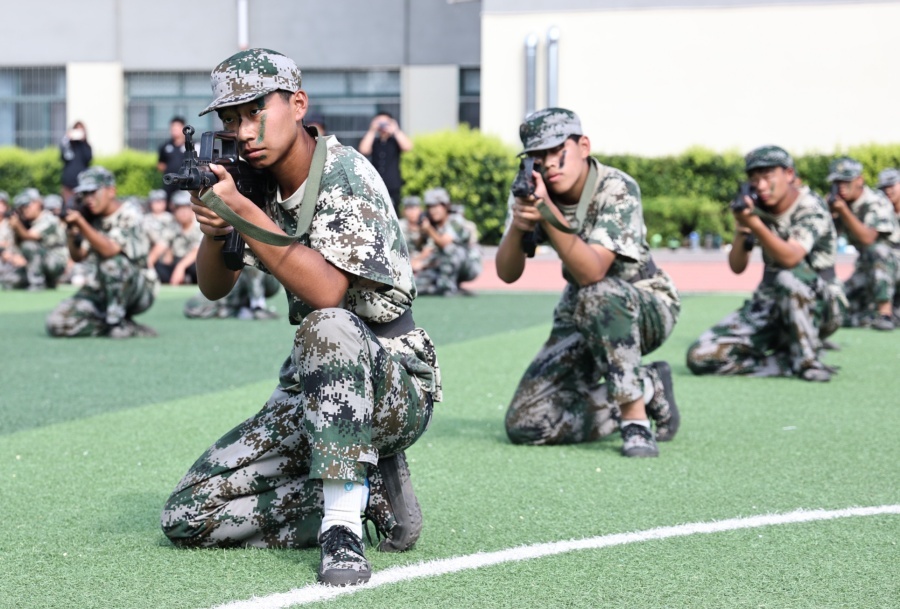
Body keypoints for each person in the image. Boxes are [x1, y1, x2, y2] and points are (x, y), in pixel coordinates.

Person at [159, 48, 441, 588]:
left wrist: (241, 211)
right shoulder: (254, 182)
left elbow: (329, 292)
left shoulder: (345, 173)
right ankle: (367, 495)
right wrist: (216, 230)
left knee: (325, 324)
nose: (242, 130)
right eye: (230, 119)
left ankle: (342, 531)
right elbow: (215, 287)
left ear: (297, 104)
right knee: (187, 513)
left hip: (392, 383)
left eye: (253, 111)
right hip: (316, 387)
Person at [495, 108, 681, 458]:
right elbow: (507, 273)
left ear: (583, 145)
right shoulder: (531, 190)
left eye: (555, 150)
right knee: (527, 423)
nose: (547, 163)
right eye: (537, 156)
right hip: (581, 308)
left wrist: (546, 212)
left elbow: (593, 272)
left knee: (599, 293)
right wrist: (520, 224)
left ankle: (635, 421)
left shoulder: (617, 187)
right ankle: (648, 386)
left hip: (645, 303)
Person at [686, 145, 841, 381]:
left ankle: (808, 362)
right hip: (769, 302)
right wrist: (742, 228)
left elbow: (791, 258)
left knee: (788, 278)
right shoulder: (756, 208)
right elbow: (737, 267)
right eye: (754, 179)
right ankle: (786, 360)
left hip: (820, 303)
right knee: (700, 357)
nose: (760, 185)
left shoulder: (810, 207)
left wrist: (756, 225)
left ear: (789, 174)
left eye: (767, 177)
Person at [45, 166, 158, 338]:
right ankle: (123, 327)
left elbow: (110, 251)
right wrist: (71, 232)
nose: (88, 199)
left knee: (112, 263)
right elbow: (78, 256)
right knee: (57, 323)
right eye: (84, 194)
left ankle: (117, 324)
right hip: (101, 287)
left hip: (138, 290)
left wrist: (82, 223)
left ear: (111, 191)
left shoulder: (129, 213)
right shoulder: (90, 216)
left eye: (93, 192)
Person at [828, 157, 900, 331]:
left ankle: (886, 314)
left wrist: (843, 211)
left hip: (892, 264)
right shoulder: (841, 204)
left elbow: (868, 239)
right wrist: (829, 214)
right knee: (840, 309)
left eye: (846, 181)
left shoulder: (876, 201)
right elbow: (829, 239)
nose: (841, 186)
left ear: (859, 180)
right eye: (837, 182)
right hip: (868, 268)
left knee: (878, 250)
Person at [412, 187, 475, 296]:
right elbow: (421, 247)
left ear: (445, 206)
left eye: (436, 206)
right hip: (439, 265)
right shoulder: (431, 224)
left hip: (467, 265)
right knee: (415, 286)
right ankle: (442, 287)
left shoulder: (455, 220)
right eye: (430, 207)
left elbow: (444, 244)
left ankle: (447, 288)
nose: (433, 210)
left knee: (450, 249)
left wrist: (428, 230)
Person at [1, 188, 68, 290]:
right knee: (9, 281)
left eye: (27, 205)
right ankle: (47, 282)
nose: (25, 209)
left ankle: (38, 283)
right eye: (22, 207)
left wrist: (17, 225)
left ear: (38, 203)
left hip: (55, 262)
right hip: (35, 265)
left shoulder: (49, 219)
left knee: (29, 245)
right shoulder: (28, 222)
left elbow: (29, 237)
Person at [357, 111, 412, 214]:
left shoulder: (395, 140)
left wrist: (395, 130)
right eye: (380, 122)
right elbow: (364, 150)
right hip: (375, 184)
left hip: (393, 185)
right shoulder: (374, 141)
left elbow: (408, 147)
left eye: (386, 122)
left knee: (394, 213)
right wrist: (372, 130)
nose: (382, 125)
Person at [183, 265, 281, 319]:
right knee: (191, 307)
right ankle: (243, 311)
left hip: (269, 278)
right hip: (232, 290)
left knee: (252, 260)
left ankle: (257, 306)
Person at [148, 190, 202, 285]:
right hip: (177, 261)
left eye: (186, 207)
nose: (183, 212)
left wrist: (181, 267)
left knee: (197, 268)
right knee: (158, 268)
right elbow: (161, 245)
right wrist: (149, 263)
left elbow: (196, 251)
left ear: (192, 209)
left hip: (193, 262)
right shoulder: (173, 225)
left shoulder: (199, 225)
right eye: (179, 208)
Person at [158, 116, 190, 206]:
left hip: (186, 183)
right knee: (170, 205)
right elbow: (160, 164)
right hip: (170, 183)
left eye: (177, 128)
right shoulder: (165, 146)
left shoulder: (191, 146)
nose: (174, 130)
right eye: (172, 128)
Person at [60, 121, 93, 206]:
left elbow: (88, 158)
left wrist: (83, 141)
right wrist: (67, 139)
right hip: (68, 183)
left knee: (81, 207)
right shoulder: (69, 145)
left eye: (80, 131)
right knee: (68, 207)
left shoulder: (86, 146)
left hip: (82, 183)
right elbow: (64, 157)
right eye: (76, 130)